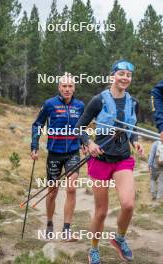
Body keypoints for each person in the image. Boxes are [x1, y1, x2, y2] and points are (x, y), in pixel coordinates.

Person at [76, 60, 144, 263]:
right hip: (101, 160)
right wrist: (89, 143)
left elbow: (132, 128)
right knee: (101, 211)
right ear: (112, 76)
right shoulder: (98, 100)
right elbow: (80, 127)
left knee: (128, 204)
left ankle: (119, 239)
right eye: (121, 73)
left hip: (123, 159)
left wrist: (136, 141)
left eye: (129, 75)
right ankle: (94, 249)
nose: (125, 78)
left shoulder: (133, 102)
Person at [31, 73, 84, 240]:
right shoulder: (49, 104)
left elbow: (83, 126)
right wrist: (34, 145)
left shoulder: (80, 105)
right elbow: (37, 124)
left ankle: (67, 229)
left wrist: (85, 142)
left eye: (70, 86)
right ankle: (49, 223)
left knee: (71, 188)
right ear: (59, 88)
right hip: (54, 153)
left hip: (73, 153)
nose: (67, 89)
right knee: (52, 192)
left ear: (74, 88)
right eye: (64, 86)